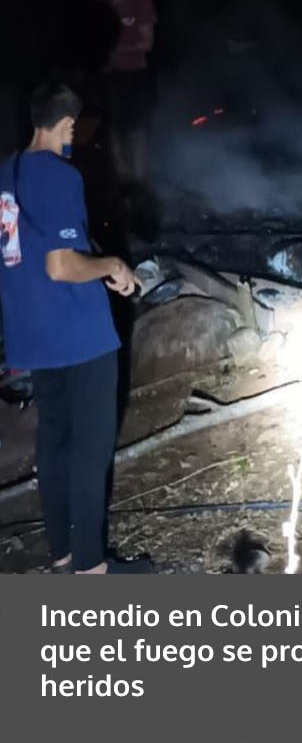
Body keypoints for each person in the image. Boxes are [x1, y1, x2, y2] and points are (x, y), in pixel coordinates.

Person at [0, 81, 150, 574]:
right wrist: (112, 266)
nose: (73, 138)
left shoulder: (6, 174)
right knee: (90, 448)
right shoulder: (59, 174)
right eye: (73, 129)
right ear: (64, 123)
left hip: (33, 332)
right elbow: (62, 265)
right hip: (79, 335)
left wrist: (97, 266)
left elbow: (34, 254)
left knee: (55, 441)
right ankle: (91, 566)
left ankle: (61, 552)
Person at [102, 0, 157, 185]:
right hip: (109, 75)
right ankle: (122, 182)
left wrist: (116, 50)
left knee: (135, 129)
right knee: (114, 130)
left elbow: (147, 43)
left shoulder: (140, 0)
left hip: (134, 74)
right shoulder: (103, 2)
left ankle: (139, 182)